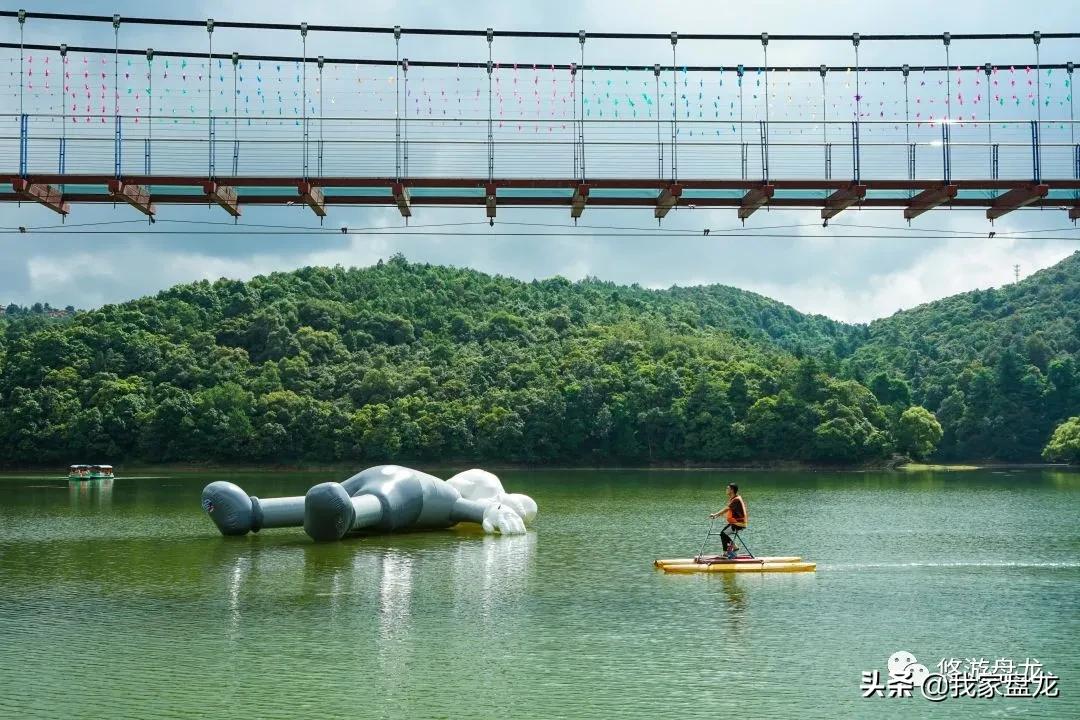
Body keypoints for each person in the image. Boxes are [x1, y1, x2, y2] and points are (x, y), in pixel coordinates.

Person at [709, 483, 748, 559]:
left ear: (732, 490)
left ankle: (727, 552)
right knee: (723, 534)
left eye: (727, 488)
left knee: (723, 534)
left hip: (739, 524)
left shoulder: (736, 500)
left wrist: (715, 514)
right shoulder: (734, 499)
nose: (726, 490)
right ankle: (733, 548)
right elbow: (728, 510)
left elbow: (726, 509)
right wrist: (716, 516)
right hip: (736, 523)